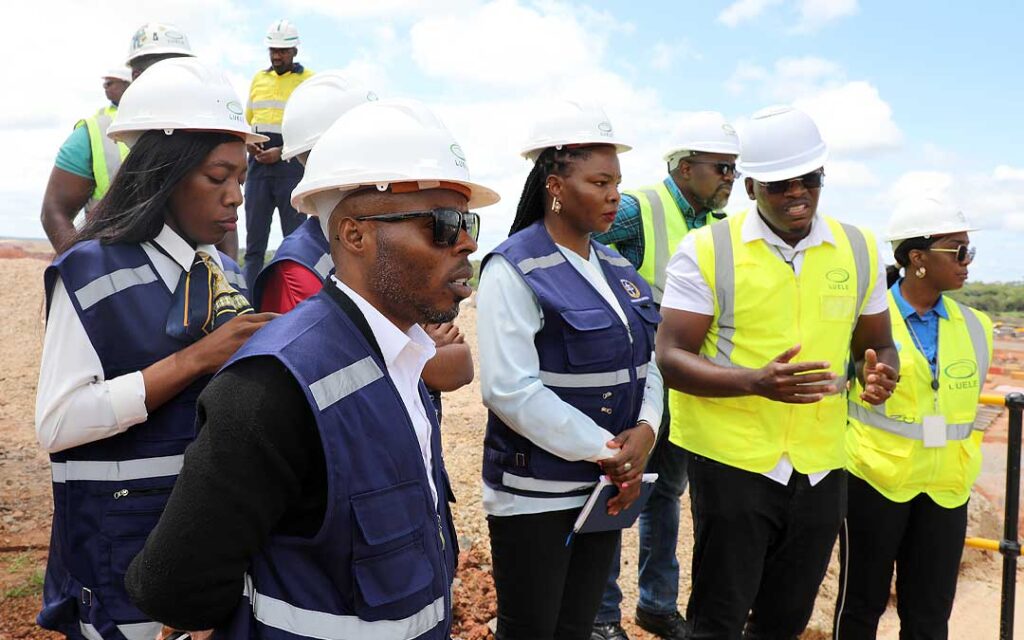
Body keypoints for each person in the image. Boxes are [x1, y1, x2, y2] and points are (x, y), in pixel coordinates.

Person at [125, 99, 499, 639]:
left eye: (468, 222)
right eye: (442, 225)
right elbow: (175, 586)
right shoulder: (273, 385)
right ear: (354, 235)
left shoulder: (401, 357)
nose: (466, 242)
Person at [34, 57, 274, 640]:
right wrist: (195, 359)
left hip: (204, 549)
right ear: (166, 173)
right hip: (118, 554)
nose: (236, 197)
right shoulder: (88, 271)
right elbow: (57, 423)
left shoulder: (225, 276)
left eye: (241, 179)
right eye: (218, 178)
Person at [655, 105, 900, 638]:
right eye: (779, 184)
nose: (797, 194)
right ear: (750, 187)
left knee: (786, 619)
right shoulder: (707, 250)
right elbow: (671, 357)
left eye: (808, 180)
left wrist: (880, 374)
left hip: (821, 464)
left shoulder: (858, 248)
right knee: (718, 619)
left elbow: (876, 345)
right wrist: (754, 382)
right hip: (732, 464)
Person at [476, 101, 664, 640]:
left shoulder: (620, 268)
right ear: (556, 187)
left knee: (578, 626)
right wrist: (612, 452)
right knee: (532, 629)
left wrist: (646, 432)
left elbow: (648, 362)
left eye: (617, 183)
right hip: (535, 492)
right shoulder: (513, 267)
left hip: (604, 488)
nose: (614, 195)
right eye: (600, 182)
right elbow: (509, 389)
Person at [592, 111, 740, 640]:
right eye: (721, 167)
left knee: (665, 494)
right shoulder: (639, 210)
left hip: (684, 383)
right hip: (634, 381)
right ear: (683, 167)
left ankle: (655, 604)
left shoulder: (720, 228)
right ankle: (602, 615)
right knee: (617, 488)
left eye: (735, 169)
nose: (730, 178)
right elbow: (574, 253)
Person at [253, 72, 473, 419]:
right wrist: (419, 353)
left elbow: (458, 362)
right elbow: (315, 376)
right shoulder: (297, 268)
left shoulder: (398, 252)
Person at [834, 196, 992, 639]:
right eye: (958, 251)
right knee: (861, 607)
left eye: (969, 251)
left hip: (946, 488)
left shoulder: (977, 326)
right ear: (917, 258)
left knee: (929, 617)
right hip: (874, 481)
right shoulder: (862, 321)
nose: (967, 261)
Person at [41, 23, 195, 253]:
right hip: (117, 262)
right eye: (167, 71)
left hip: (190, 267)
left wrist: (222, 271)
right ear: (137, 76)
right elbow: (55, 210)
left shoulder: (206, 128)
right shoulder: (94, 132)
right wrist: (84, 265)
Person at [241, 19, 315, 288]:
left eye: (282, 51)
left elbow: (311, 128)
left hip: (291, 165)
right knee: (254, 246)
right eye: (273, 50)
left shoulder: (309, 81)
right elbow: (249, 120)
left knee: (295, 242)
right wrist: (249, 143)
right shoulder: (258, 79)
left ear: (295, 50)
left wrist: (282, 152)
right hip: (258, 166)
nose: (276, 55)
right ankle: (247, 303)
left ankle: (295, 301)